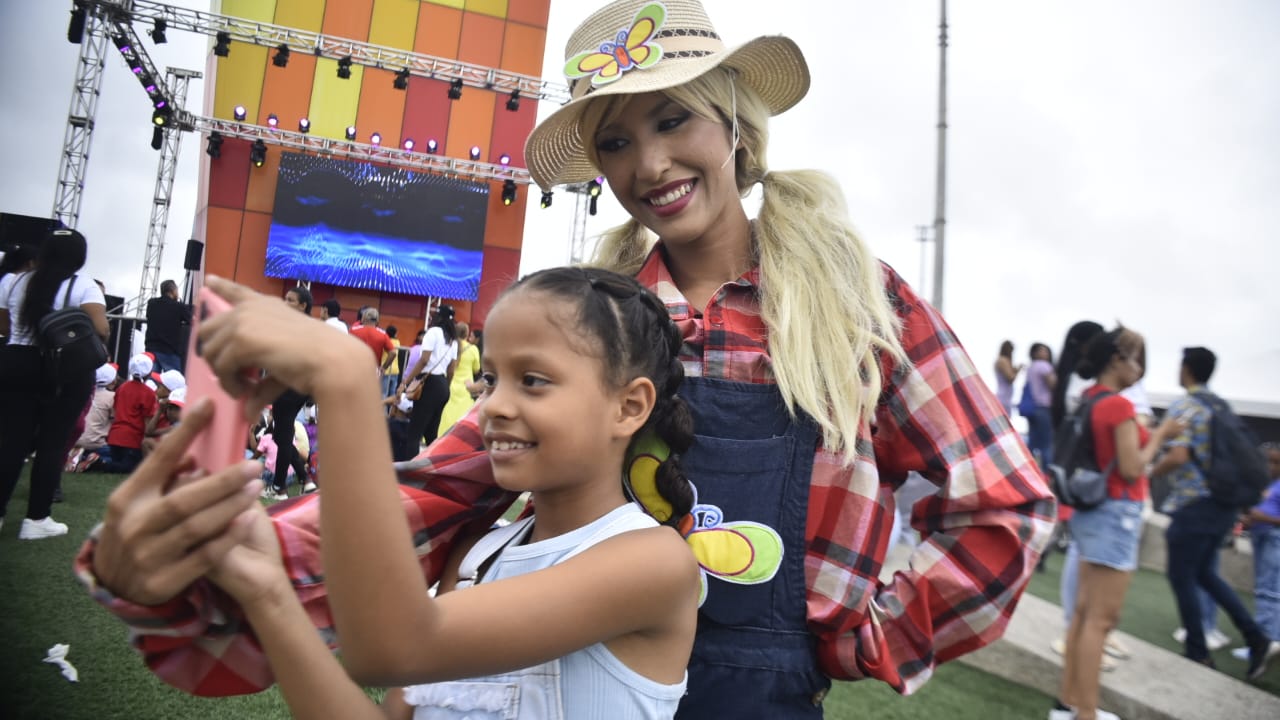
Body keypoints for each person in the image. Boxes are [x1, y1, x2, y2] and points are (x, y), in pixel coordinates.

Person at [76, 1, 1054, 714]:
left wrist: (858, 634)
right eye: (616, 140)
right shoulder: (595, 317)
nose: (648, 165)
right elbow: (437, 488)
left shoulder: (852, 297)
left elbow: (1001, 504)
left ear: (730, 125)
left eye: (672, 119)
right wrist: (208, 566)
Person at [151, 268, 701, 719]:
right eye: (491, 379)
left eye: (532, 380)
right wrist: (268, 593)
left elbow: (390, 648)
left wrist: (346, 381)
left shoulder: (653, 563)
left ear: (629, 407)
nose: (494, 407)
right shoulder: (477, 555)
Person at [1053, 327, 1184, 720]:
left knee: (1082, 613)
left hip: (1092, 513)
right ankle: (1087, 713)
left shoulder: (1089, 399)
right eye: (1135, 359)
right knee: (1101, 619)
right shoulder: (1120, 407)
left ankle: (1069, 702)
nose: (1139, 368)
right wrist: (1160, 434)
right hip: (1117, 514)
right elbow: (1131, 468)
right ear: (1116, 360)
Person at [1150, 346, 1277, 677]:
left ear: (1187, 368)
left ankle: (1198, 651)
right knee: (1205, 573)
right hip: (1223, 504)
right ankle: (1255, 636)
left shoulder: (1186, 406)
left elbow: (1178, 456)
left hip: (1194, 503)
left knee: (1181, 575)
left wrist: (1147, 471)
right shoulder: (1220, 406)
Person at [0, 228, 108, 538]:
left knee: (12, 441)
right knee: (52, 443)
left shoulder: (13, 281)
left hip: (16, 360)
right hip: (64, 371)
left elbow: (4, 325)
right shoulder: (83, 286)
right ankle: (36, 519)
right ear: (79, 256)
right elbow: (100, 329)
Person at [266, 286, 314, 501]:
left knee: (283, 436)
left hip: (288, 385)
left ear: (303, 305)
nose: (285, 303)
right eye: (285, 299)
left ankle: (279, 487)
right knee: (280, 435)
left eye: (290, 300)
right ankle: (305, 479)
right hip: (300, 387)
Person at [1235, 443, 1280, 661]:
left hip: (1274, 540)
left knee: (1269, 591)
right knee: (1264, 588)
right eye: (1269, 461)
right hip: (1263, 539)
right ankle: (1267, 641)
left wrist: (1264, 519)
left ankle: (1265, 642)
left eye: (1277, 462)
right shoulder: (1272, 484)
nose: (1271, 466)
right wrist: (1250, 521)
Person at [397, 305, 457, 458]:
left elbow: (424, 360)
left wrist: (405, 382)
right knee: (431, 435)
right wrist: (445, 386)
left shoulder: (433, 332)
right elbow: (451, 369)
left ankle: (410, 472)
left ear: (439, 317)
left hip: (430, 384)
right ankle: (434, 467)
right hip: (443, 385)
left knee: (414, 433)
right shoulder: (453, 340)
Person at [99, 353, 159, 474]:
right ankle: (100, 465)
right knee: (131, 469)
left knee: (119, 463)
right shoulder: (148, 393)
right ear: (149, 372)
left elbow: (116, 411)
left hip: (115, 437)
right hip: (133, 440)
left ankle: (99, 462)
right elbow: (147, 424)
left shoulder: (122, 387)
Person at [437, 321, 484, 436]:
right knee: (462, 412)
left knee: (446, 411)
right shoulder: (473, 349)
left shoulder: (450, 344)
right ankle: (457, 435)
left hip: (450, 382)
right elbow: (476, 368)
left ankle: (440, 434)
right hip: (466, 386)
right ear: (467, 334)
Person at [144, 279, 192, 373]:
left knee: (151, 382)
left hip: (151, 348)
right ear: (173, 291)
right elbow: (192, 320)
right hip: (169, 350)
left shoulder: (151, 303)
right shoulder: (178, 306)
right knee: (174, 384)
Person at [1024, 342, 1057, 467]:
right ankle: (1047, 473)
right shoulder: (1044, 366)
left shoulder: (1031, 367)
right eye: (1042, 351)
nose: (1046, 353)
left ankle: (1028, 469)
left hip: (1032, 409)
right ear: (1035, 353)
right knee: (1046, 444)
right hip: (1044, 407)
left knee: (1032, 443)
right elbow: (1052, 384)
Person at [994, 340, 1022, 416]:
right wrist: (1018, 370)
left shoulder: (1001, 360)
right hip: (1003, 399)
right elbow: (1010, 378)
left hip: (1006, 398)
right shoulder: (1003, 360)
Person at [382, 325, 401, 398]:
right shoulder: (397, 342)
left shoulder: (386, 341)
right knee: (392, 394)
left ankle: (382, 409)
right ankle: (390, 409)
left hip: (386, 369)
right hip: (395, 370)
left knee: (383, 393)